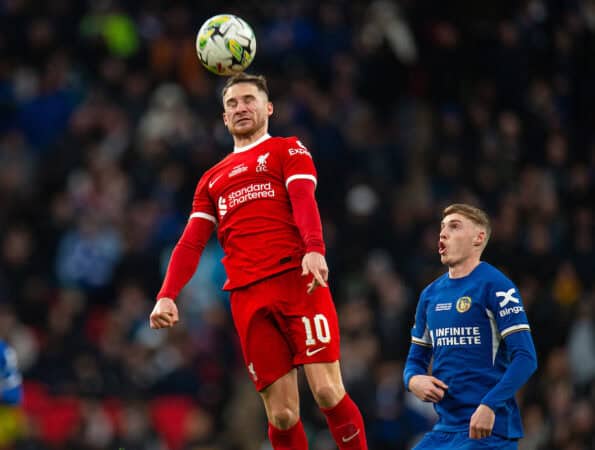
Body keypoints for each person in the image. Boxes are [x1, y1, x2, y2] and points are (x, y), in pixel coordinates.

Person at [149, 73, 368, 450]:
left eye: (249, 100)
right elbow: (190, 243)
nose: (241, 108)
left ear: (268, 108)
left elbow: (303, 198)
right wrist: (167, 294)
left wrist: (314, 248)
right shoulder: (211, 180)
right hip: (247, 297)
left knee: (328, 391)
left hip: (298, 281)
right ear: (223, 118)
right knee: (281, 415)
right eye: (232, 104)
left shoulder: (287, 149)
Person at [403, 204, 538, 450]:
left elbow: (526, 357)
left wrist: (490, 405)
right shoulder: (430, 295)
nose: (443, 233)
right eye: (442, 227)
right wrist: (413, 381)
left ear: (479, 237)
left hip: (488, 430)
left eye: (454, 226)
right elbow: (415, 361)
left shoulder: (497, 285)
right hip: (445, 430)